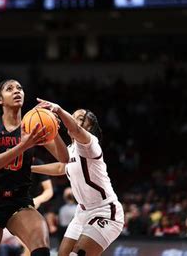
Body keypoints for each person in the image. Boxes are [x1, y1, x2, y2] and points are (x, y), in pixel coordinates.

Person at [0, 79, 68, 256]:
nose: (17, 91)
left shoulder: (32, 126)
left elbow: (64, 158)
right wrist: (23, 145)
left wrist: (54, 130)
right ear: (0, 100)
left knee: (41, 250)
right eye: (9, 89)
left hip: (19, 200)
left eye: (20, 88)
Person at [31, 98, 124, 256]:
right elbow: (62, 166)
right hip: (81, 212)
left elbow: (74, 129)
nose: (74, 119)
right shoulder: (70, 149)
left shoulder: (90, 144)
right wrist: (30, 168)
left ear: (89, 127)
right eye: (72, 116)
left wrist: (59, 110)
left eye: (79, 118)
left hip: (105, 211)